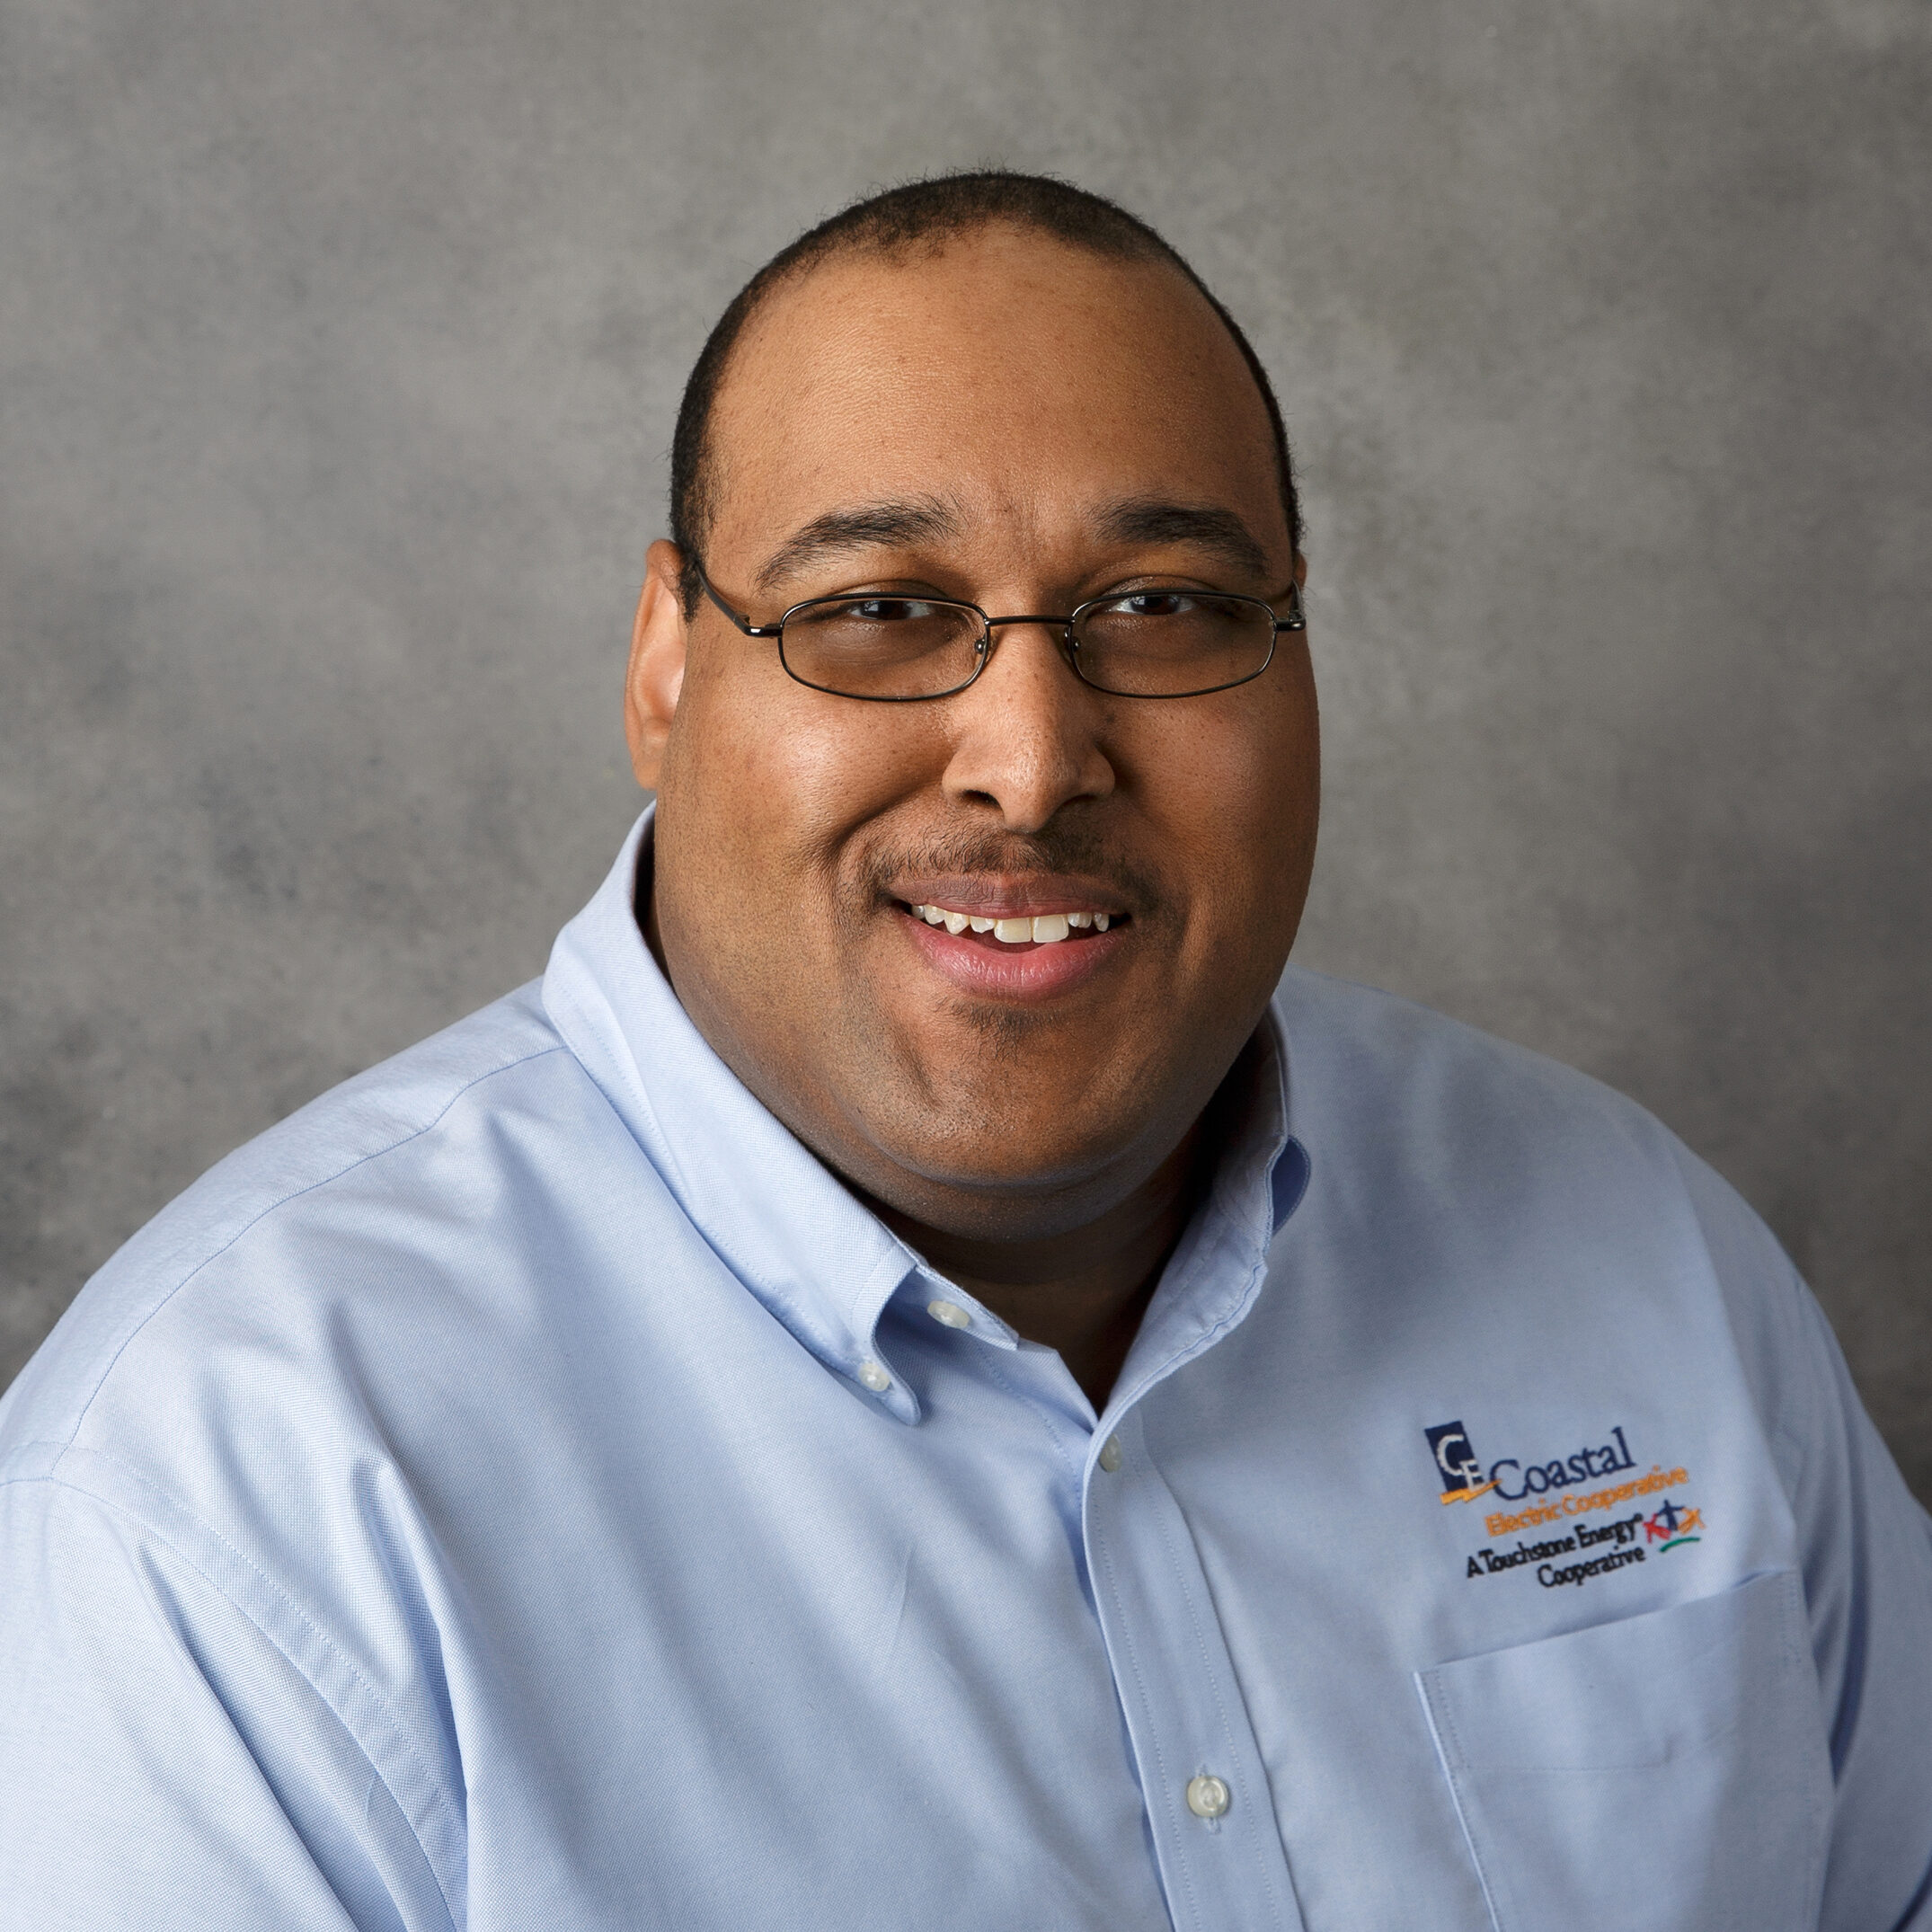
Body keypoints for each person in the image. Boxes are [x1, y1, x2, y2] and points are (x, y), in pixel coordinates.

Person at [1, 171, 1926, 1932]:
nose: (1027, 756)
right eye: (877, 613)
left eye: (1160, 606)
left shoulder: (1638, 1255)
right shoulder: (221, 1499)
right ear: (668, 661)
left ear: (1300, 644)